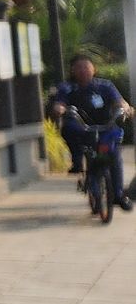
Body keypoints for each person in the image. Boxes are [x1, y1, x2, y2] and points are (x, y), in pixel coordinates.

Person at [49, 55, 135, 211]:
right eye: (79, 67)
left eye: (86, 67)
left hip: (105, 126)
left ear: (93, 69)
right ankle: (77, 161)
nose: (83, 70)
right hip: (81, 127)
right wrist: (59, 109)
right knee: (69, 129)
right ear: (73, 71)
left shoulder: (105, 86)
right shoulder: (67, 87)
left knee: (114, 155)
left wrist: (125, 108)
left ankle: (118, 194)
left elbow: (119, 101)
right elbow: (59, 103)